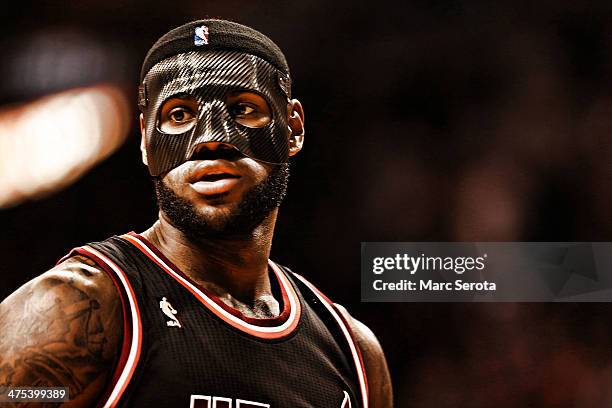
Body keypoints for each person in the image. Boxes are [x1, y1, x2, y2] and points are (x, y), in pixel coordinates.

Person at [0, 19, 392, 407]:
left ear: (293, 128)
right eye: (180, 115)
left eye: (242, 109)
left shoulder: (353, 351)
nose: (210, 139)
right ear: (145, 143)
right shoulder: (77, 306)